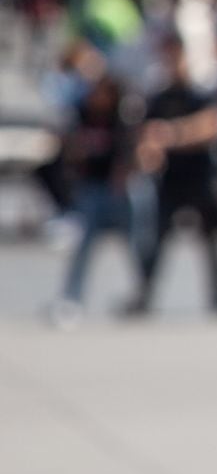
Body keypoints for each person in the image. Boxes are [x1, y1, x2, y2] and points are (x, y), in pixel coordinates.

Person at [126, 33, 217, 317]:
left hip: (201, 176)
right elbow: (145, 137)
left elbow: (211, 126)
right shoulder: (159, 98)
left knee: (211, 241)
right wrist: (149, 150)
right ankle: (145, 296)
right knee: (155, 242)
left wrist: (172, 135)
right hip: (171, 179)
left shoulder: (200, 92)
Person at [43, 73, 143, 326]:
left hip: (117, 192)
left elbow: (128, 153)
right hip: (90, 190)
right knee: (82, 249)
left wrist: (122, 180)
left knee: (136, 245)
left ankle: (140, 295)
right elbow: (65, 153)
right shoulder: (82, 116)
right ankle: (71, 299)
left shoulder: (121, 119)